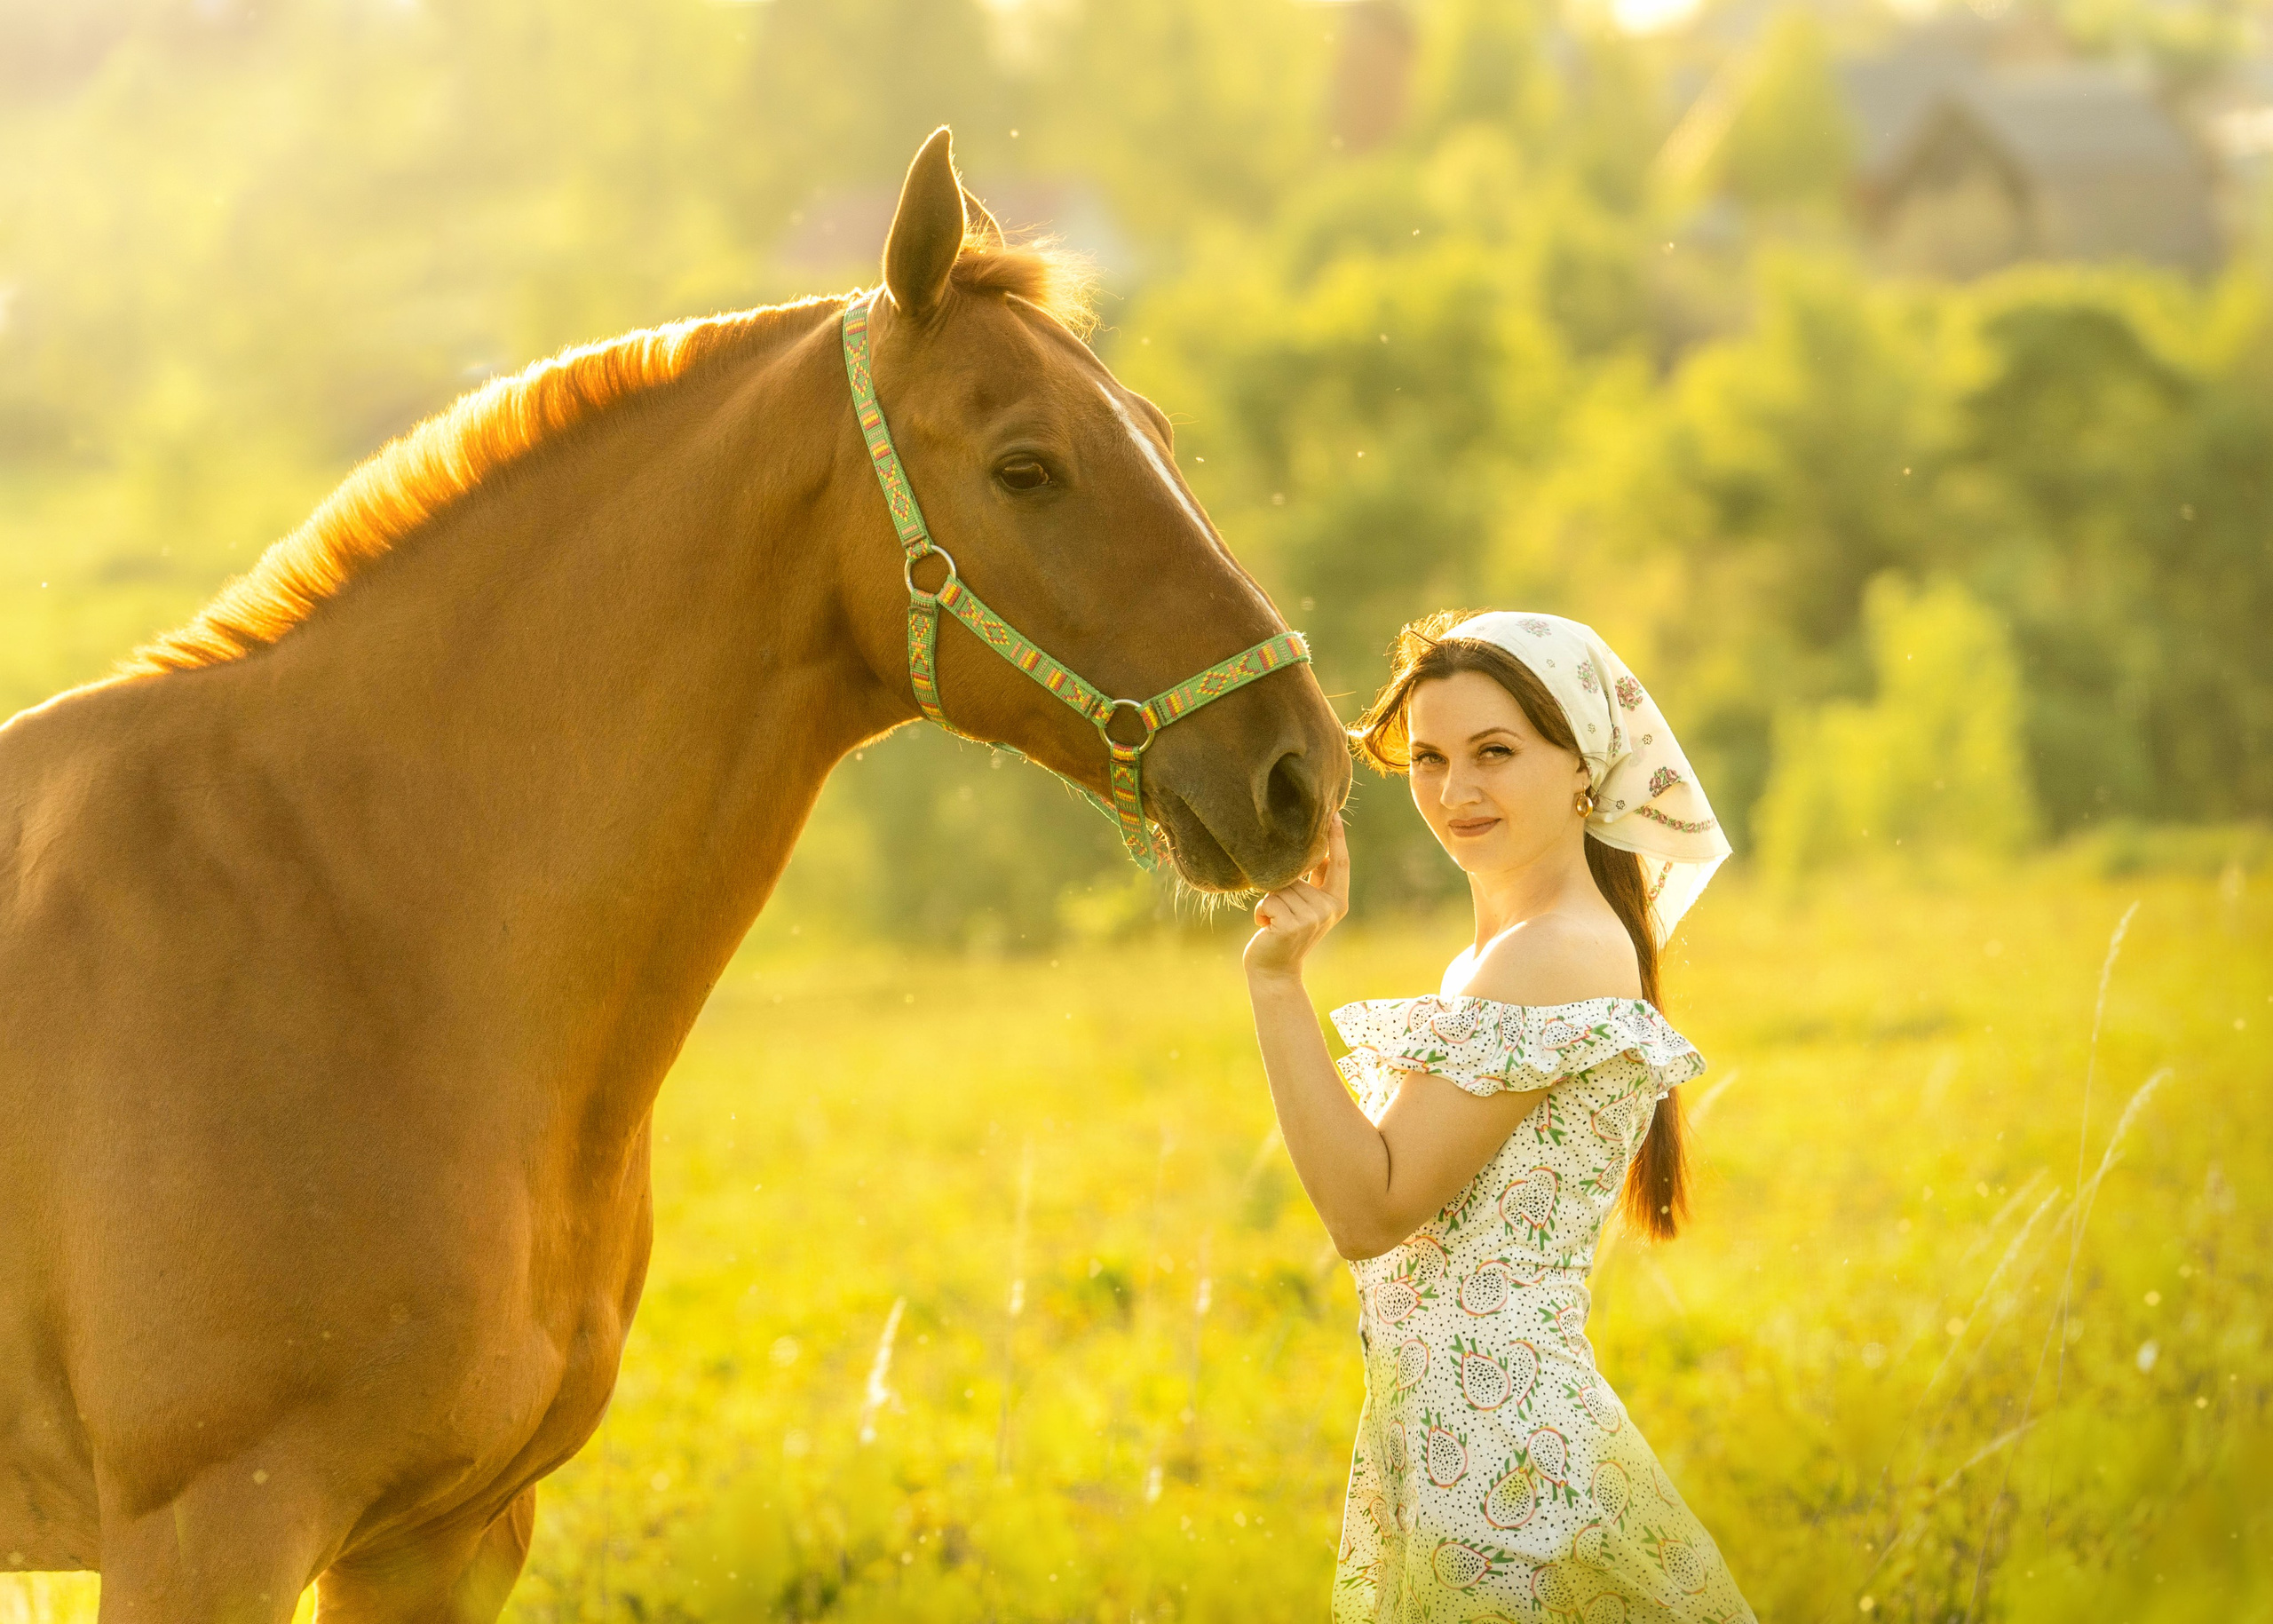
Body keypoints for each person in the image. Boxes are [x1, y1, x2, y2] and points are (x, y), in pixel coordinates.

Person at [1244, 609, 1754, 1622]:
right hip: (1454, 1439)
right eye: (1429, 757)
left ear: (1583, 768)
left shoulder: (1553, 952)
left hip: (1505, 1464)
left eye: (1496, 752)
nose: (1455, 790)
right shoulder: (1502, 956)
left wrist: (1274, 987)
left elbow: (1369, 1209)